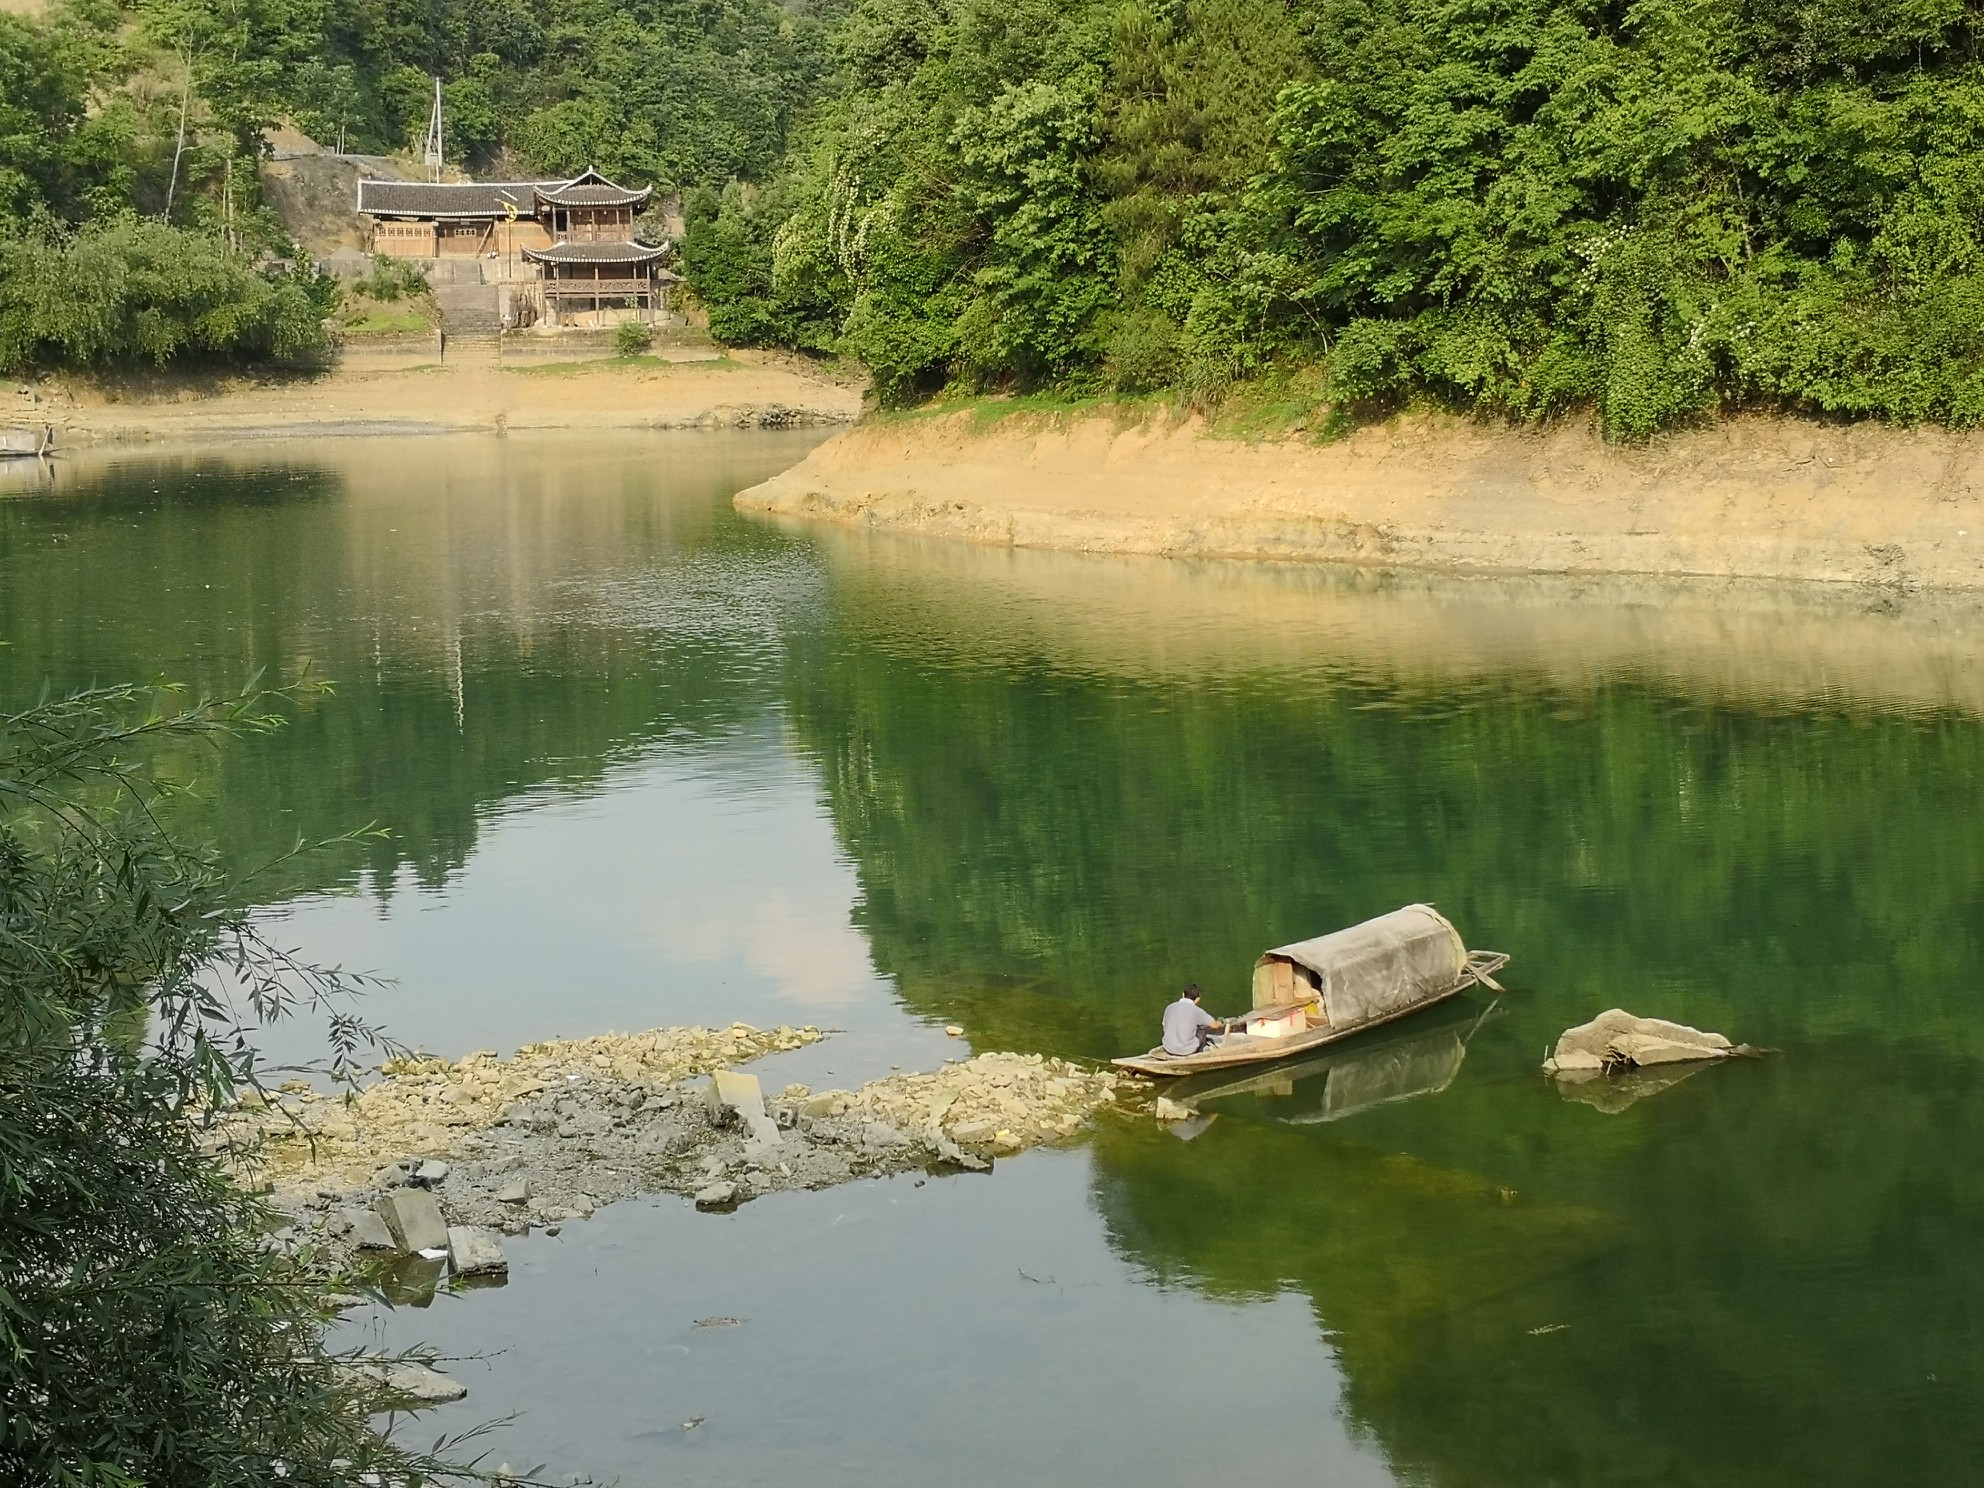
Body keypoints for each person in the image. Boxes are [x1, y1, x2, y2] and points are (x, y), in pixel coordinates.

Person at [1161, 984, 1226, 1056]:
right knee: (1202, 1029)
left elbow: (1165, 1026)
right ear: (1198, 999)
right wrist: (1220, 1022)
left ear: (1183, 994)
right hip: (1187, 1050)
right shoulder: (1197, 1011)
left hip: (1168, 1047)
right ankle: (1200, 1052)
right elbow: (1215, 1025)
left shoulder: (1169, 1007)